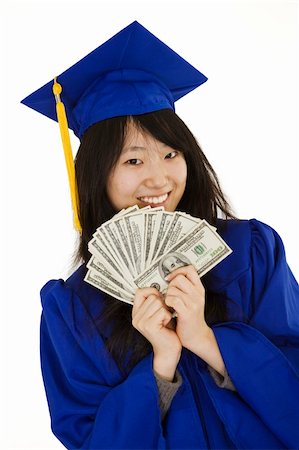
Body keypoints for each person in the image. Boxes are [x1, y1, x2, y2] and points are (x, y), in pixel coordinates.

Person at [21, 21, 299, 450]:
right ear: (96, 176)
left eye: (170, 154)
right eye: (133, 161)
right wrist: (160, 368)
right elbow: (87, 437)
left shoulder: (251, 252)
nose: (158, 178)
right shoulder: (72, 308)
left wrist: (208, 342)